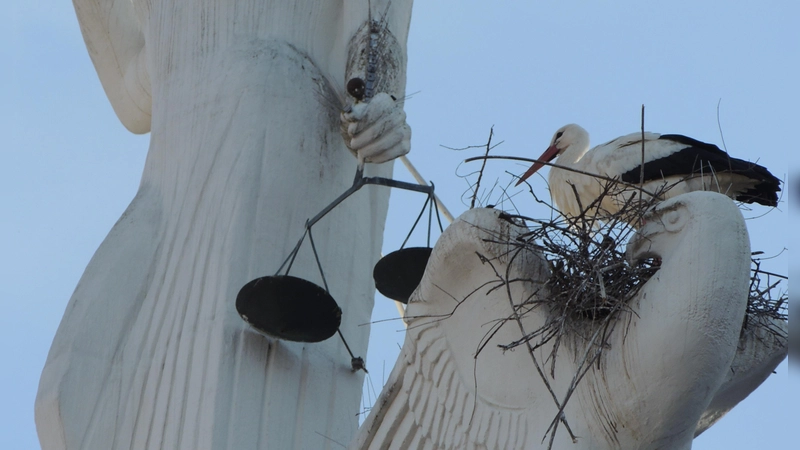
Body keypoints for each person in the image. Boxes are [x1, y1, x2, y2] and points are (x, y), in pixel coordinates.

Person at [36, 1, 413, 448]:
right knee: (68, 394)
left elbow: (375, 30)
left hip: (278, 130)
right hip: (172, 176)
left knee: (244, 392)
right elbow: (136, 98)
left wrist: (381, 94)